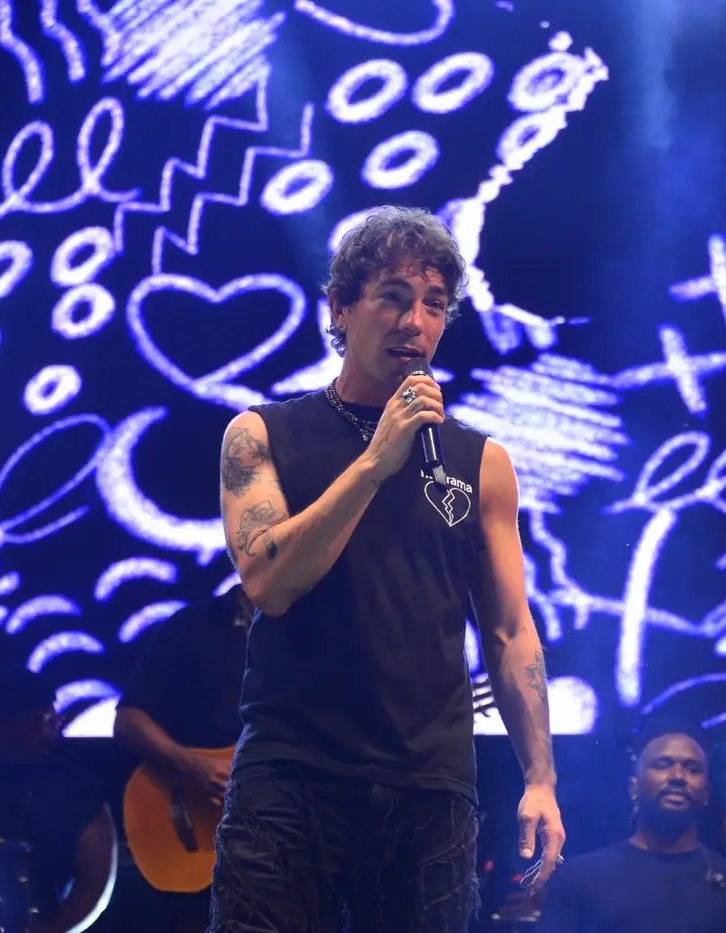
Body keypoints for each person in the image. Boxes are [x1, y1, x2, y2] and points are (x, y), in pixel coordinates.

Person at [208, 205, 565, 932]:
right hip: (291, 773)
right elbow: (269, 583)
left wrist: (540, 777)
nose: (414, 322)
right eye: (394, 298)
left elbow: (509, 632)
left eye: (433, 304)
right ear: (340, 308)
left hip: (427, 785)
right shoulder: (261, 433)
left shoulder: (481, 463)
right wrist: (375, 461)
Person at [535, 725, 726, 933]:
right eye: (663, 765)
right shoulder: (579, 879)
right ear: (634, 787)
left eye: (693, 769)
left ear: (706, 793)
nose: (678, 777)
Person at [114, 583, 254, 933]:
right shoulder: (194, 626)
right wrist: (194, 768)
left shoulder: (321, 629)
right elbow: (130, 721)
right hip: (198, 843)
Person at [0, 666, 115, 933]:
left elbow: (96, 882)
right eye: (33, 725)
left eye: (52, 723)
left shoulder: (76, 788)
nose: (47, 735)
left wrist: (57, 929)